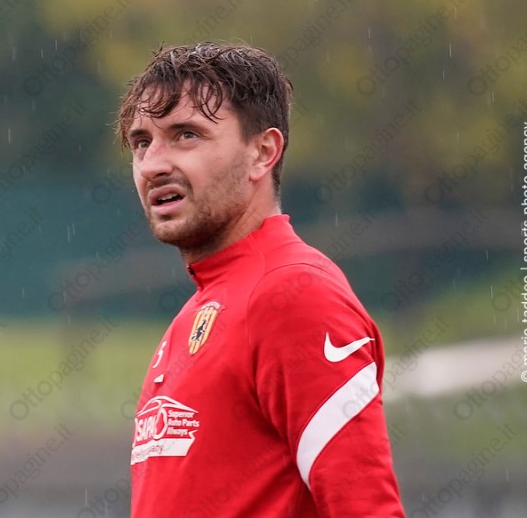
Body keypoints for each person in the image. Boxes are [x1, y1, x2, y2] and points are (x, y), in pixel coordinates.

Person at [116, 42, 405, 517]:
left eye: (186, 135)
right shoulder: (195, 315)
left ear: (262, 152)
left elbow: (366, 509)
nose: (153, 164)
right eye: (142, 142)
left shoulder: (295, 294)